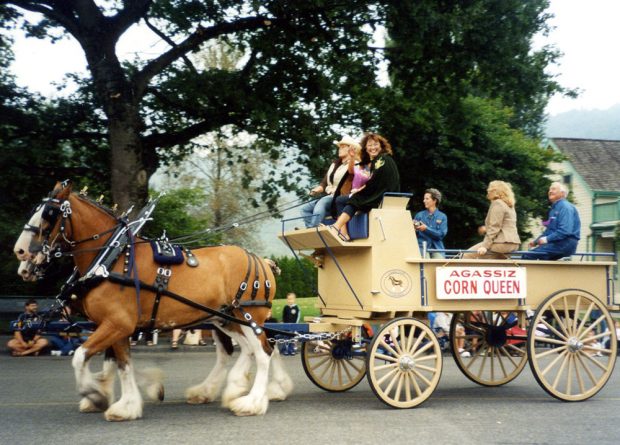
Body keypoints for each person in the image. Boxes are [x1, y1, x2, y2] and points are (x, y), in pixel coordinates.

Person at [330, 132, 400, 241]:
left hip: (382, 195)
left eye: (375, 144)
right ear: (366, 148)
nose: (373, 147)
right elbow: (374, 180)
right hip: (383, 193)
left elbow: (376, 182)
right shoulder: (378, 160)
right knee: (349, 198)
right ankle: (340, 230)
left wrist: (360, 190)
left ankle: (337, 227)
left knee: (355, 199)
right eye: (370, 145)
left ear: (381, 145)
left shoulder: (381, 160)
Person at [299, 136, 356, 228]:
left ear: (350, 149)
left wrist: (352, 158)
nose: (339, 149)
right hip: (330, 197)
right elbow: (324, 182)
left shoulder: (354, 164)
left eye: (343, 147)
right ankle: (314, 227)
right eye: (339, 147)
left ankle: (314, 228)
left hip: (340, 197)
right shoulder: (334, 164)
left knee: (321, 203)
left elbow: (352, 172)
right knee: (305, 209)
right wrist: (317, 189)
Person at [522, 182, 581, 260]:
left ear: (562, 193)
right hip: (558, 243)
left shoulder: (565, 207)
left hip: (565, 243)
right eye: (549, 189)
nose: (550, 191)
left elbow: (565, 230)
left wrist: (546, 239)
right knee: (543, 259)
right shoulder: (554, 209)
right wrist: (536, 242)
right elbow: (549, 231)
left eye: (553, 189)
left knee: (527, 256)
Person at [463, 180, 520, 259]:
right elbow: (504, 225)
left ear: (496, 191)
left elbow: (495, 227)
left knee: (467, 255)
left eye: (490, 189)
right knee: (495, 263)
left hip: (501, 244)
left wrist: (485, 246)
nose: (487, 191)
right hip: (513, 244)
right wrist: (486, 228)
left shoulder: (498, 203)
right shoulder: (509, 205)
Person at [413, 188, 448, 258]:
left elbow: (440, 235)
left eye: (427, 199)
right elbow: (414, 235)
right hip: (422, 248)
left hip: (437, 248)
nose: (424, 201)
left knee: (439, 265)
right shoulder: (419, 215)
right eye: (424, 199)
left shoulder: (442, 216)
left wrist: (426, 229)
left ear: (434, 200)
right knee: (426, 264)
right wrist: (413, 229)